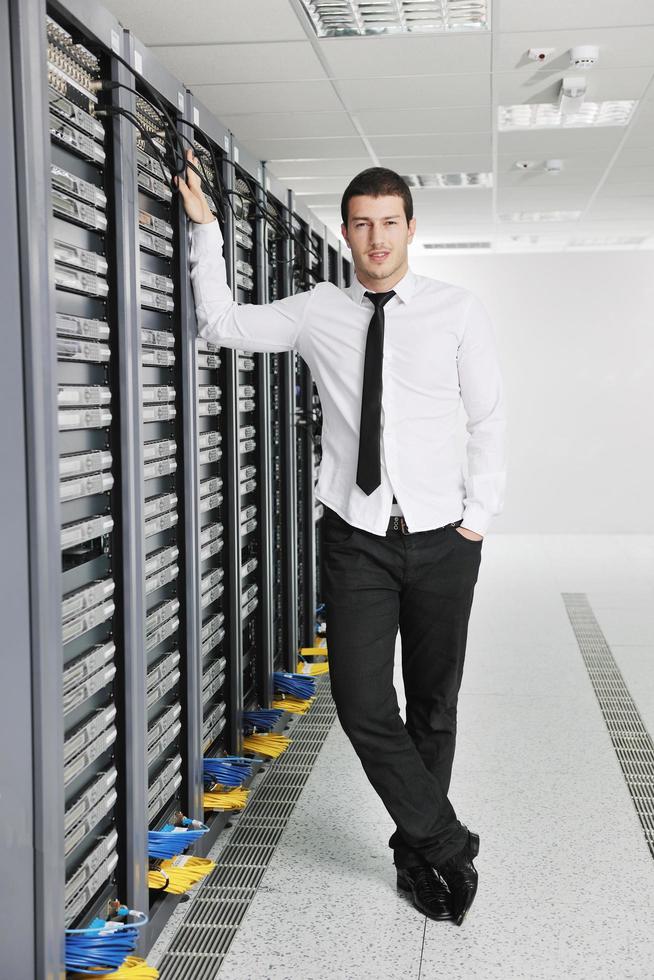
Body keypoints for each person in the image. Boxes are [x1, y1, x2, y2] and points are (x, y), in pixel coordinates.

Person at [176, 148, 507, 926]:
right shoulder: (318, 309)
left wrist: (478, 518)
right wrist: (206, 231)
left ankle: (418, 855)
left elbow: (489, 417)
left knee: (433, 702)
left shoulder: (457, 309)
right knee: (362, 701)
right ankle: (446, 839)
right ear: (348, 233)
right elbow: (221, 324)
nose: (376, 239)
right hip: (356, 535)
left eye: (389, 224)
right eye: (362, 225)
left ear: (410, 230)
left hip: (442, 537)